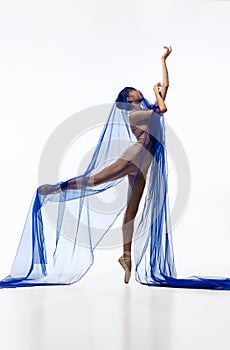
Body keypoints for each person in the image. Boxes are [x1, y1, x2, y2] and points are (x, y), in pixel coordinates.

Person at [38, 46, 172, 284]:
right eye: (135, 91)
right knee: (94, 180)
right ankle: (55, 189)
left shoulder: (146, 109)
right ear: (129, 99)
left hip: (143, 165)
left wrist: (163, 60)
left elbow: (165, 90)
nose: (140, 90)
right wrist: (156, 92)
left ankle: (126, 256)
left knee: (131, 212)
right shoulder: (135, 115)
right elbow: (162, 107)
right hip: (134, 156)